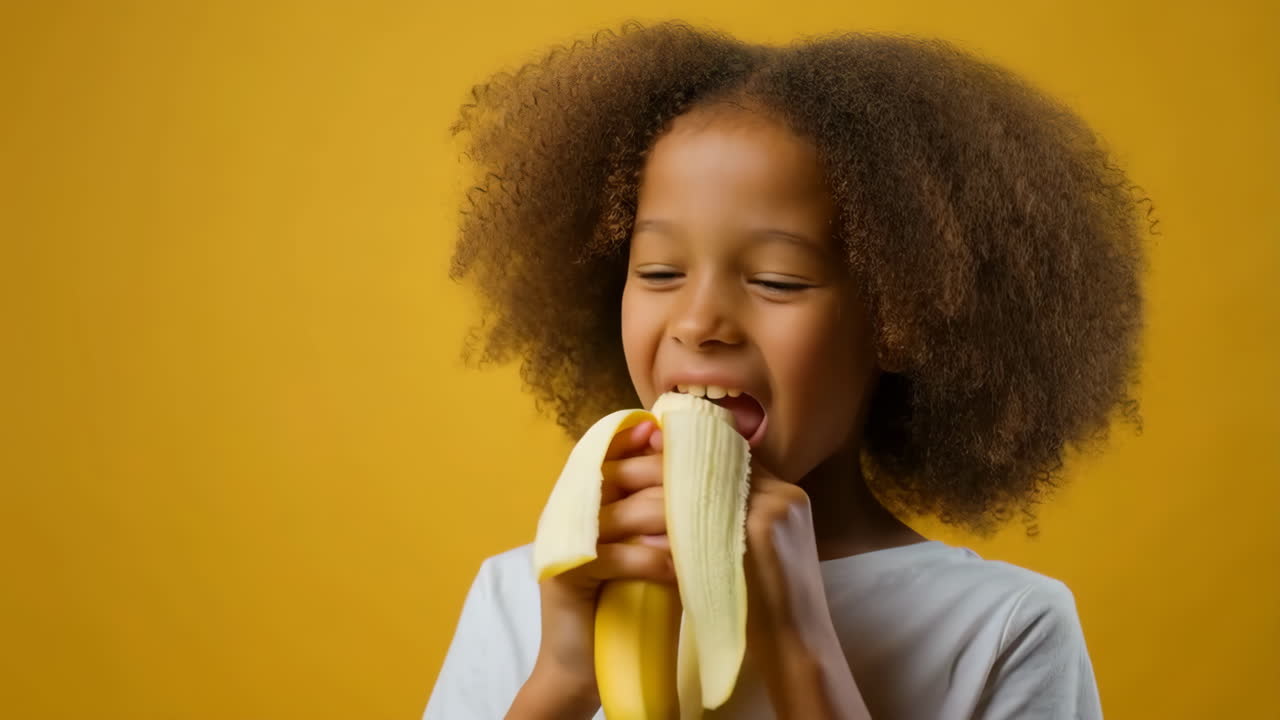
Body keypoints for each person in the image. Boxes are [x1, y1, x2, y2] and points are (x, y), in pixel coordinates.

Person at [424, 19, 1149, 720]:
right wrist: (561, 680)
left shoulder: (1005, 630)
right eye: (658, 270)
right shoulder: (520, 595)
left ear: (900, 318)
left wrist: (801, 645)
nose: (699, 322)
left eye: (777, 280)